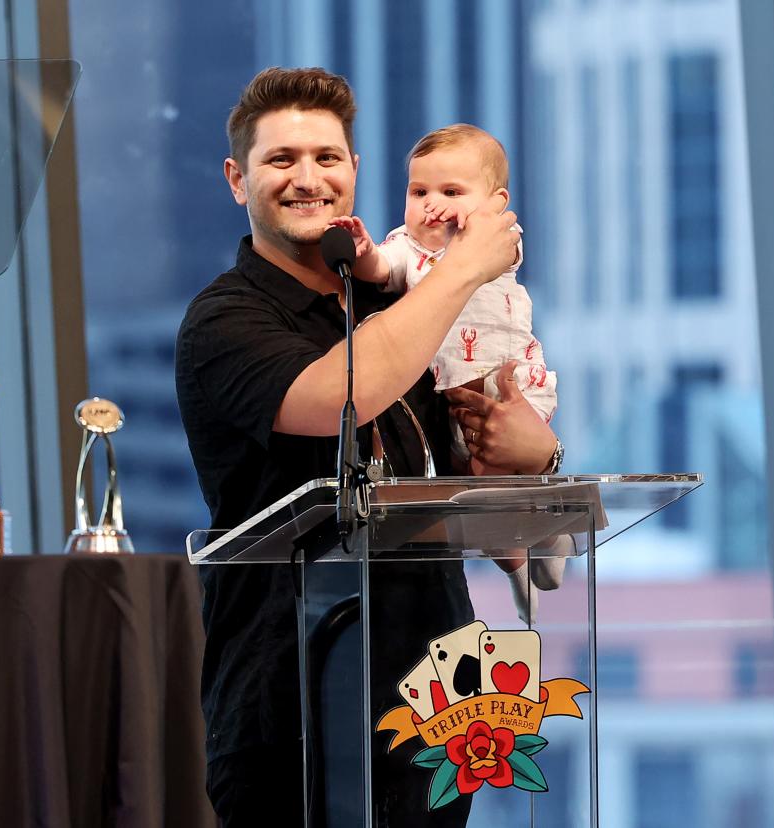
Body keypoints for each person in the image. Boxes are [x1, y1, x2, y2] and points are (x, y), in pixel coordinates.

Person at [175, 67, 561, 826]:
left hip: (439, 693)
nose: (308, 178)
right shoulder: (224, 320)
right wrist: (462, 272)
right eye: (281, 159)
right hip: (291, 698)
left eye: (328, 157)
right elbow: (338, 396)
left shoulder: (393, 300)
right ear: (236, 179)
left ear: (354, 170)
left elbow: (468, 464)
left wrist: (536, 454)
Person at [329, 124, 565, 622]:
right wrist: (364, 248)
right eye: (419, 192)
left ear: (497, 203)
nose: (432, 205)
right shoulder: (407, 249)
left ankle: (550, 529)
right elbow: (381, 269)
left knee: (511, 464)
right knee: (479, 476)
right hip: (455, 393)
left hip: (512, 376)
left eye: (452, 192)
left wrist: (467, 231)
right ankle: (518, 563)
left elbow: (500, 254)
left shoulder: (495, 239)